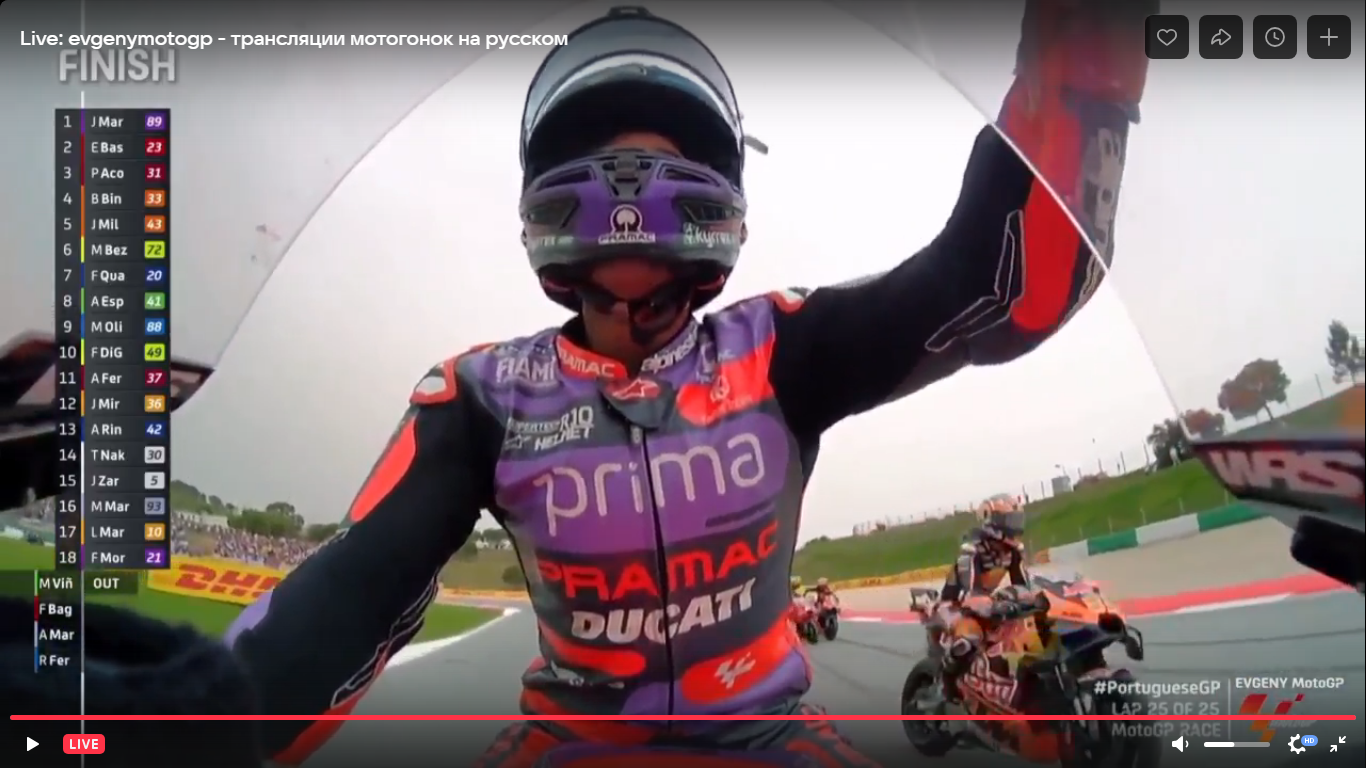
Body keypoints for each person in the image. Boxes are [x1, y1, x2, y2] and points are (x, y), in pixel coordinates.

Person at [226, 4, 1150, 766]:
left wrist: (1084, 59)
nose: (630, 175)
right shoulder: (479, 396)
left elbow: (1001, 286)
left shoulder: (782, 348)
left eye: (668, 151)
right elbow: (348, 599)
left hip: (773, 737)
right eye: (599, 147)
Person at [936, 497, 1033, 708]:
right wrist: (992, 604)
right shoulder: (971, 549)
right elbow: (969, 591)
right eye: (1009, 521)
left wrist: (1028, 601)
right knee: (967, 641)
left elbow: (1024, 586)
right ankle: (946, 683)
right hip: (953, 604)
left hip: (983, 600)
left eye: (1017, 520)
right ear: (991, 521)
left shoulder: (1013, 550)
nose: (1015, 527)